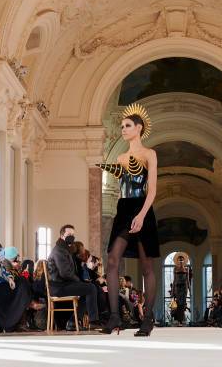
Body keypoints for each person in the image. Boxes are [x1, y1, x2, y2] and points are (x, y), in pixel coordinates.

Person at [96, 103, 160, 336]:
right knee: (112, 260)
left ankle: (148, 318)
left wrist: (142, 215)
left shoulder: (149, 154)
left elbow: (152, 189)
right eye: (122, 126)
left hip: (142, 206)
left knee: (146, 266)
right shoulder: (122, 157)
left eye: (127, 126)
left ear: (139, 128)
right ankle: (114, 317)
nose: (123, 129)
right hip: (123, 208)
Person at [47, 224, 102, 330]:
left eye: (73, 234)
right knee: (90, 288)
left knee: (90, 288)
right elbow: (65, 273)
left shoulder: (65, 249)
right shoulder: (59, 250)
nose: (71, 237)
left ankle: (73, 322)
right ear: (62, 235)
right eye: (69, 234)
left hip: (64, 284)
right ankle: (93, 321)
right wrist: (79, 281)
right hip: (58, 286)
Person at [172, 252, 190, 326]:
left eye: (182, 260)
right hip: (177, 287)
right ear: (177, 261)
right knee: (178, 304)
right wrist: (173, 290)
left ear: (184, 261)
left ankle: (182, 320)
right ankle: (178, 321)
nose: (181, 261)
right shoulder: (175, 268)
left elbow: (187, 279)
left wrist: (189, 289)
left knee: (183, 304)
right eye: (179, 260)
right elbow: (174, 279)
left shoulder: (186, 268)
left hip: (184, 287)